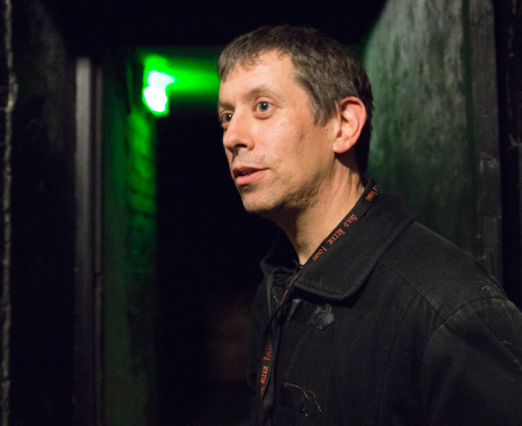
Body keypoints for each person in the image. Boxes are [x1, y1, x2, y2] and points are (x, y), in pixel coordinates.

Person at [217, 25, 522, 425]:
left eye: (262, 107)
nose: (233, 136)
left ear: (343, 125)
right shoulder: (278, 285)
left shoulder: (449, 309)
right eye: (226, 115)